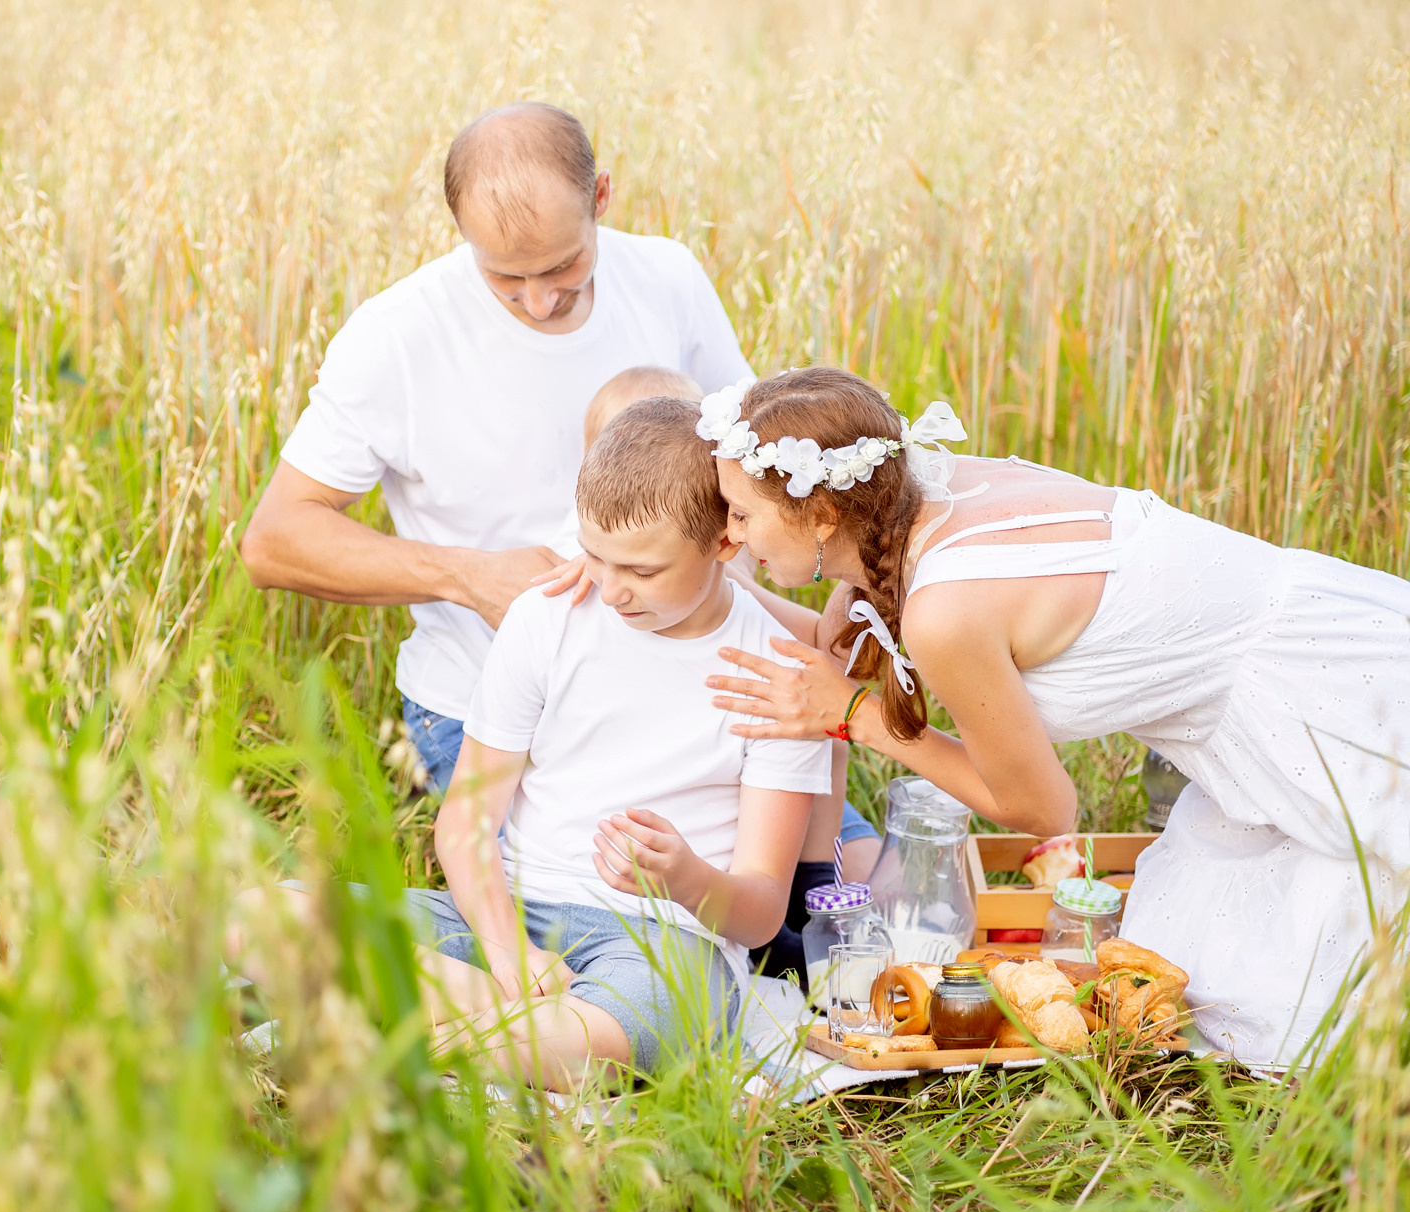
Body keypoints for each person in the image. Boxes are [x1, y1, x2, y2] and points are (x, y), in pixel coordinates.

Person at [691, 365, 1410, 1066]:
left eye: (742, 513)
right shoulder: (922, 495)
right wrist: (684, 578)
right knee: (1211, 967)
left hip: (1330, 702)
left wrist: (856, 716)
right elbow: (837, 642)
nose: (732, 532)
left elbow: (1043, 807)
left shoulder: (945, 611)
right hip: (1295, 658)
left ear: (821, 515)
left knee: (1303, 995)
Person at [232, 399, 829, 1089]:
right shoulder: (548, 616)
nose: (610, 591)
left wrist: (685, 876)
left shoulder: (781, 673)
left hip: (661, 943)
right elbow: (465, 824)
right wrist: (504, 946)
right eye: (595, 555)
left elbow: (757, 916)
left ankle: (374, 1028)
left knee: (651, 1016)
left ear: (726, 543)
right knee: (259, 915)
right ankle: (493, 1034)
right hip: (506, 908)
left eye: (641, 571)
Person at [238, 102, 752, 795]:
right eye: (507, 279)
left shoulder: (668, 278)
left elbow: (749, 462)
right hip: (487, 711)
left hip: (683, 681)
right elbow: (273, 540)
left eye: (564, 267)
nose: (540, 302)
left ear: (602, 195)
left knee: (828, 860)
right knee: (613, 885)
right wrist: (468, 577)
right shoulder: (397, 335)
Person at [557, 366, 881, 977]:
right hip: (685, 774)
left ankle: (814, 884)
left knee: (865, 854)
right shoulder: (606, 556)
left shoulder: (723, 545)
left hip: (770, 775)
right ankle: (807, 890)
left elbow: (819, 641)